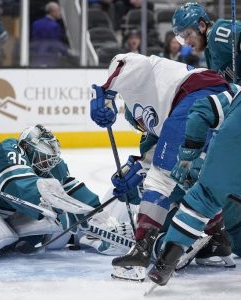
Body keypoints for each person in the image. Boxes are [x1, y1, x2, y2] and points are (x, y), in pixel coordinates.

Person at [89, 52, 230, 280]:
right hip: (223, 104)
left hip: (197, 97)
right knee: (194, 177)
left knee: (160, 178)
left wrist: (104, 94)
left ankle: (141, 250)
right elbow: (159, 152)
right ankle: (218, 239)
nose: (143, 128)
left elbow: (123, 61)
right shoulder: (159, 120)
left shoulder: (142, 74)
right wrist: (134, 173)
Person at [0, 124, 133, 258]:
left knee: (59, 234)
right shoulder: (8, 150)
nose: (47, 163)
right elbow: (20, 187)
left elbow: (70, 188)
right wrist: (62, 211)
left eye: (50, 158)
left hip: (6, 213)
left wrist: (96, 214)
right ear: (26, 147)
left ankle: (98, 239)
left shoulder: (51, 167)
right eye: (42, 157)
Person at [148, 84, 241, 287]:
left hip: (225, 159)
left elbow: (201, 111)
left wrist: (189, 156)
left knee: (201, 201)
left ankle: (165, 263)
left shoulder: (236, 91)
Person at [171, 2, 241, 84]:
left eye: (188, 34)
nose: (187, 41)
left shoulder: (216, 33)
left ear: (202, 26)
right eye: (182, 37)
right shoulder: (208, 51)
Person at [30, 2, 74, 67]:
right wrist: (67, 51)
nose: (60, 13)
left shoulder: (35, 23)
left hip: (37, 56)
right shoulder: (55, 26)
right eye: (58, 10)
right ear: (52, 12)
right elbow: (56, 44)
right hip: (50, 58)